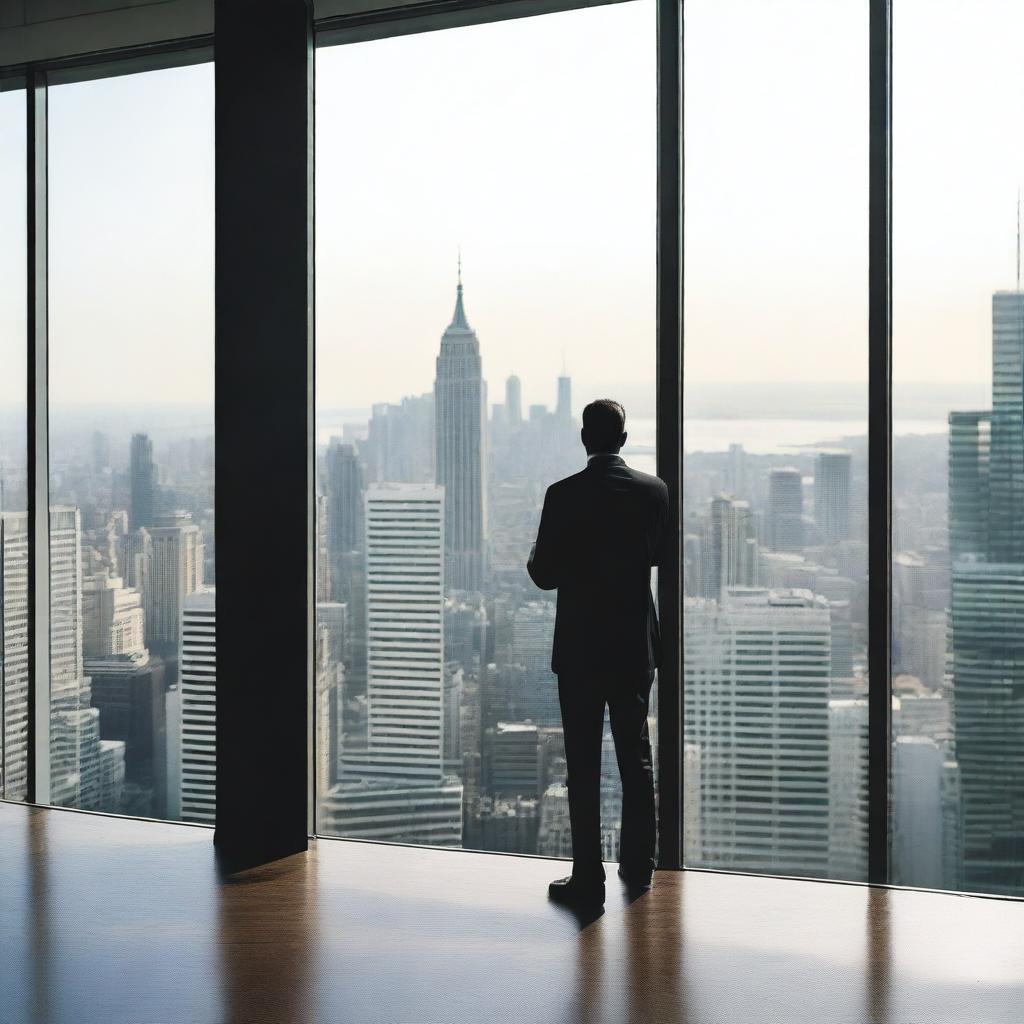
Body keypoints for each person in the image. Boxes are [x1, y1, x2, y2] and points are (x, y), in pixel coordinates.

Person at [528, 398, 670, 906]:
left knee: (583, 762)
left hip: (581, 650)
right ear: (624, 440)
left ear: (584, 438)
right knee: (637, 756)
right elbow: (659, 556)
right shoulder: (654, 492)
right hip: (633, 648)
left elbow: (543, 573)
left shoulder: (562, 495)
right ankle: (641, 868)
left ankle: (588, 877)